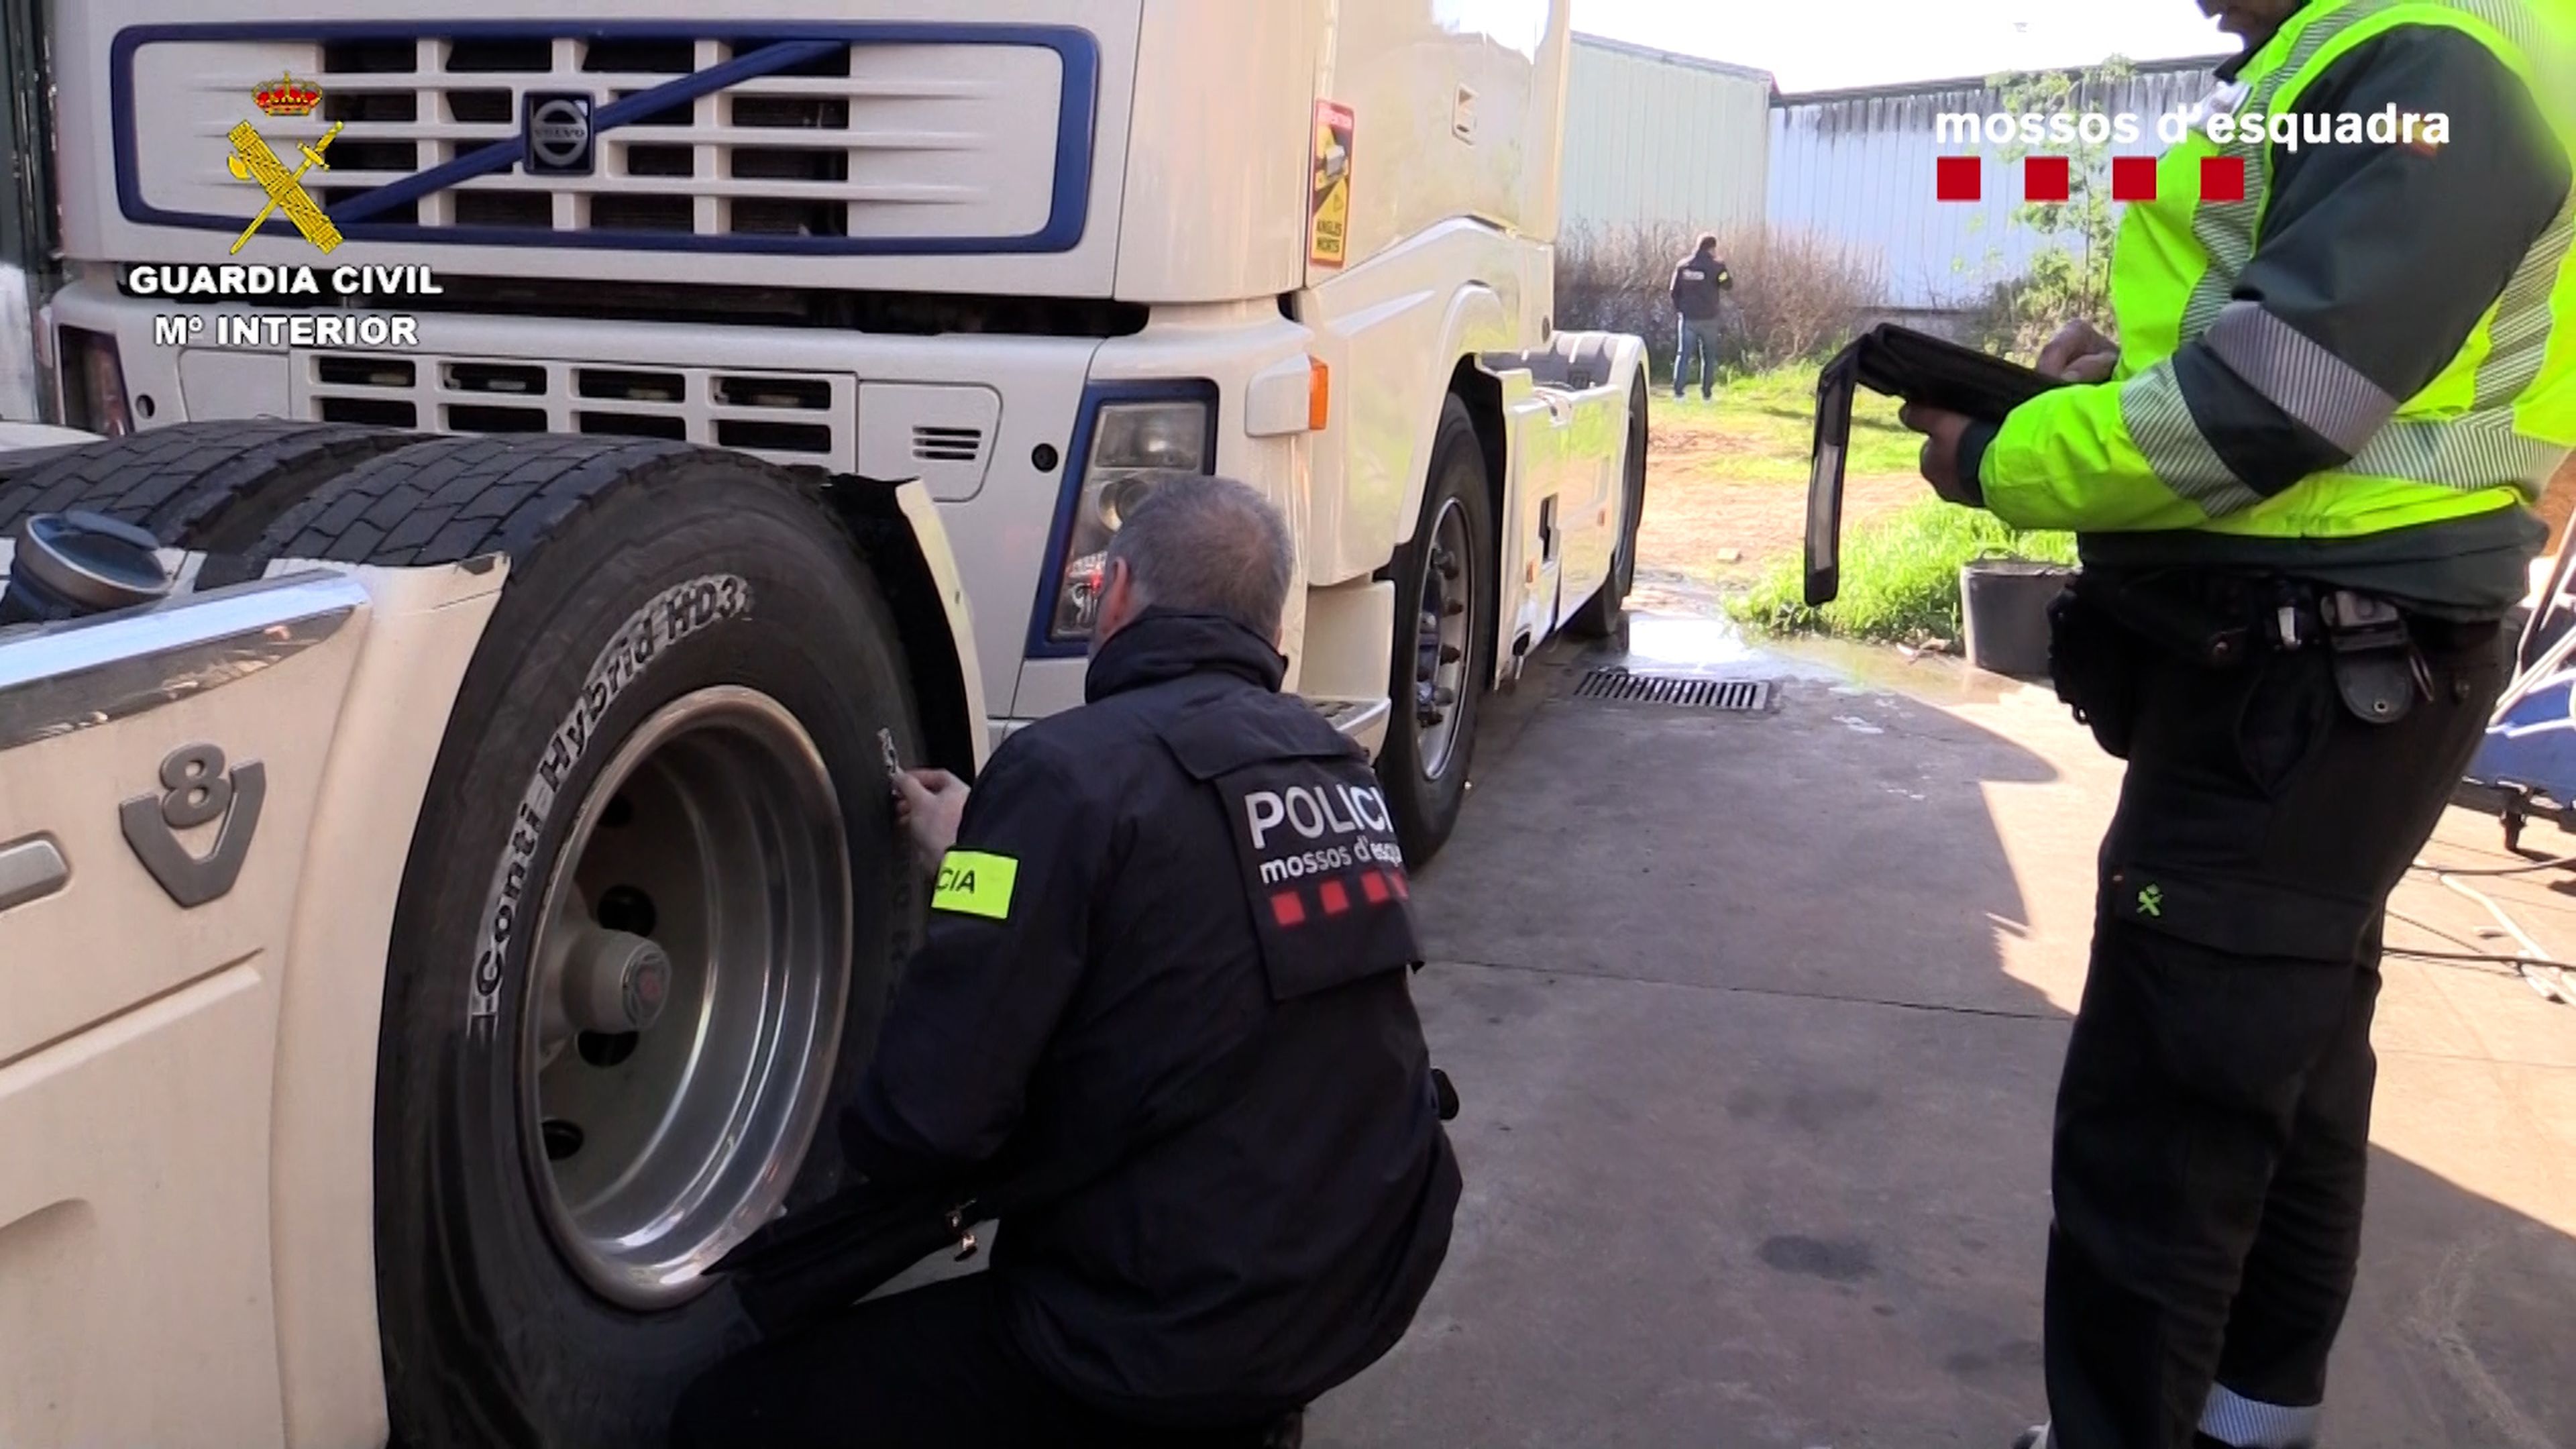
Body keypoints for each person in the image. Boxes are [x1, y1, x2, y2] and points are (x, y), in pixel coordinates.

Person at [1896, 1, 2575, 1446]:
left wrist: (2009, 456)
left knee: (2167, 1119)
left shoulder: (2428, 64)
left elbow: (2282, 400)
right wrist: (2106, 385)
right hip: (2346, 653)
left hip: (2315, 665)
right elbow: (2274, 332)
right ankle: (2246, 1429)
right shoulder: (2375, 59)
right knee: (2296, 1066)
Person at [671, 474, 1462, 1449]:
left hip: (1156, 1331)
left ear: (1116, 592)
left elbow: (925, 1122)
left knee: (723, 1418)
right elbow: (1180, 912)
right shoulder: (1332, 766)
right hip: (1358, 1279)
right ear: (1275, 637)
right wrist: (991, 850)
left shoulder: (1062, 773)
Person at [1670, 233, 1733, 401]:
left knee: (1683, 354)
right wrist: (1722, 269)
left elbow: (1673, 292)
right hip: (1710, 318)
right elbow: (1727, 285)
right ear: (1712, 248)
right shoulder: (1717, 267)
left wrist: (1680, 310)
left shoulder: (1683, 266)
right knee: (1709, 356)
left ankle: (1678, 394)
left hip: (1688, 318)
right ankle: (1706, 394)